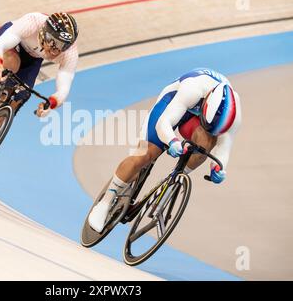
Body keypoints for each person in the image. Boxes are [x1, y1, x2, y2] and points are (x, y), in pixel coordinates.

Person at [88, 68, 242, 233]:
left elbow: (224, 149)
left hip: (197, 120)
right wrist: (172, 141)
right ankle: (105, 202)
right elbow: (164, 123)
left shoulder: (233, 115)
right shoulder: (193, 88)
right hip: (173, 103)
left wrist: (218, 168)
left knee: (207, 144)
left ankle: (174, 181)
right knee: (145, 154)